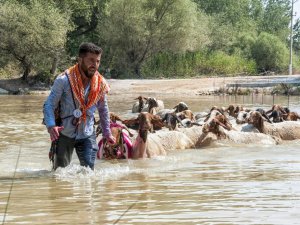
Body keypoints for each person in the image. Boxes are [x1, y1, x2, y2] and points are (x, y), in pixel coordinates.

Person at [43, 42, 116, 170]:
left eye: (98, 61)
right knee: (59, 174)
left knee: (88, 172)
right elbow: (49, 104)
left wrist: (107, 133)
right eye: (91, 60)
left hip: (87, 132)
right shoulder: (63, 80)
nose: (95, 65)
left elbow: (103, 110)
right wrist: (51, 126)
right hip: (64, 132)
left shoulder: (101, 83)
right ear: (80, 60)